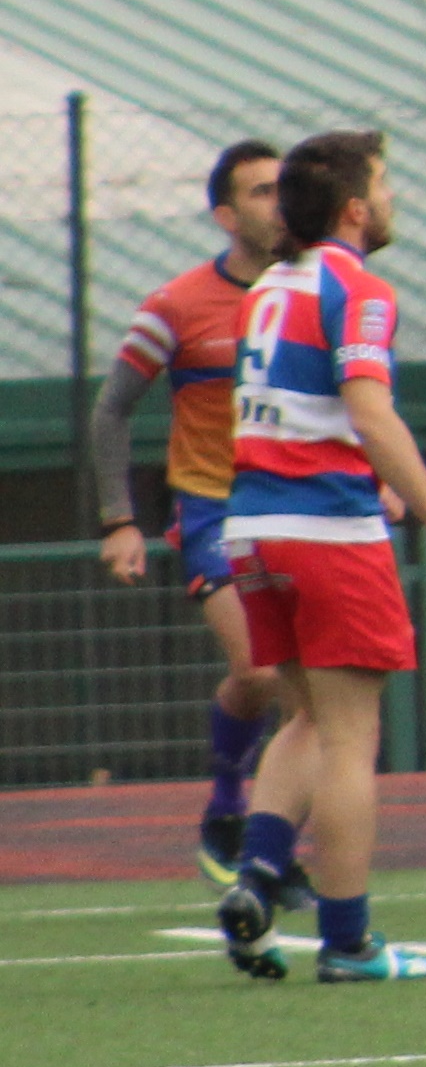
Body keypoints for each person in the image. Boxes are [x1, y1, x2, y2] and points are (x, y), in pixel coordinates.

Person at [211, 132, 426, 984]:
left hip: (254, 529)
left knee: (305, 717)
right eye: (387, 182)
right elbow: (370, 411)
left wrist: (380, 479)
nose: (395, 197)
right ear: (357, 209)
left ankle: (257, 873)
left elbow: (305, 406)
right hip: (326, 531)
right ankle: (349, 941)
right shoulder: (357, 286)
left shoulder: (268, 287)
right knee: (350, 740)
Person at [92, 141, 289, 884]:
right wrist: (120, 518)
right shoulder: (178, 304)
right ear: (225, 213)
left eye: (285, 188)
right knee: (260, 669)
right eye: (262, 190)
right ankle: (227, 803)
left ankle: (273, 852)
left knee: (310, 693)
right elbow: (112, 409)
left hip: (298, 509)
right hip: (214, 510)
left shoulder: (311, 292)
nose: (279, 202)